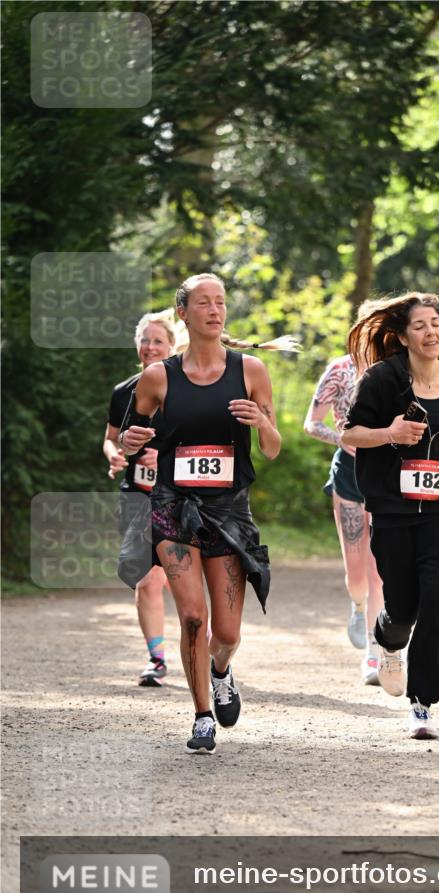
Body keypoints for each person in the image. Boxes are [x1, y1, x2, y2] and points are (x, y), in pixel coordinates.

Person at [119, 273, 281, 755]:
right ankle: (201, 714)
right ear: (184, 313)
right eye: (204, 303)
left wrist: (261, 423)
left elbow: (272, 450)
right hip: (173, 507)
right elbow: (131, 436)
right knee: (193, 617)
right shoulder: (157, 377)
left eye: (221, 302)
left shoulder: (249, 370)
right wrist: (132, 444)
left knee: (226, 633)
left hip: (228, 510)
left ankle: (221, 671)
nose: (215, 309)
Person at [341, 292, 439, 740]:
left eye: (436, 324)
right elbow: (351, 435)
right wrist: (390, 433)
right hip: (393, 509)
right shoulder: (382, 380)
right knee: (403, 606)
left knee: (436, 600)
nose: (431, 332)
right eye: (420, 325)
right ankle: (387, 640)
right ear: (403, 337)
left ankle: (422, 702)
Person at [103, 309, 178, 686]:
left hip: (181, 498)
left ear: (172, 346)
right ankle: (157, 657)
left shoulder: (190, 388)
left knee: (180, 579)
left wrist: (164, 455)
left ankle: (208, 643)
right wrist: (114, 453)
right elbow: (111, 435)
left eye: (158, 341)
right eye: (145, 340)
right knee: (148, 580)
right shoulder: (123, 391)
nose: (150, 347)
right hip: (137, 497)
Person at [304, 354, 384, 684]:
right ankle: (357, 604)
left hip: (386, 473)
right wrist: (346, 439)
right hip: (349, 472)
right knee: (357, 572)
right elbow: (312, 423)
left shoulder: (398, 367)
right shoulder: (340, 370)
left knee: (379, 567)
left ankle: (374, 654)